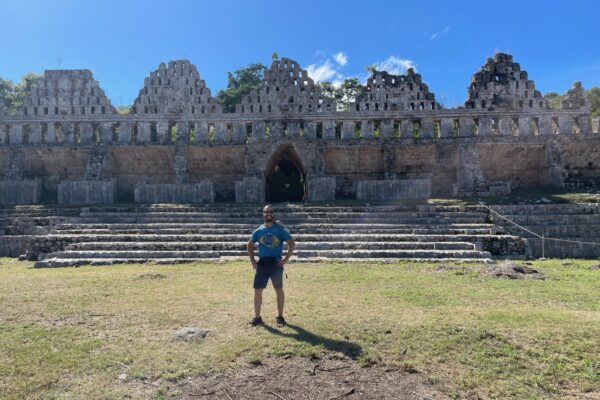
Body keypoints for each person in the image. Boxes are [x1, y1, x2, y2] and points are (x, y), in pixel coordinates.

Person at [247, 204, 295, 327]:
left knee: (278, 290)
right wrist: (252, 260)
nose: (268, 213)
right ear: (263, 214)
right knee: (258, 291)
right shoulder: (259, 231)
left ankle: (280, 317)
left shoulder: (280, 230)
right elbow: (250, 244)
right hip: (262, 264)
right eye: (266, 211)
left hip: (276, 264)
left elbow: (291, 243)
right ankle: (257, 318)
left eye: (271, 211)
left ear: (274, 214)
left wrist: (285, 259)